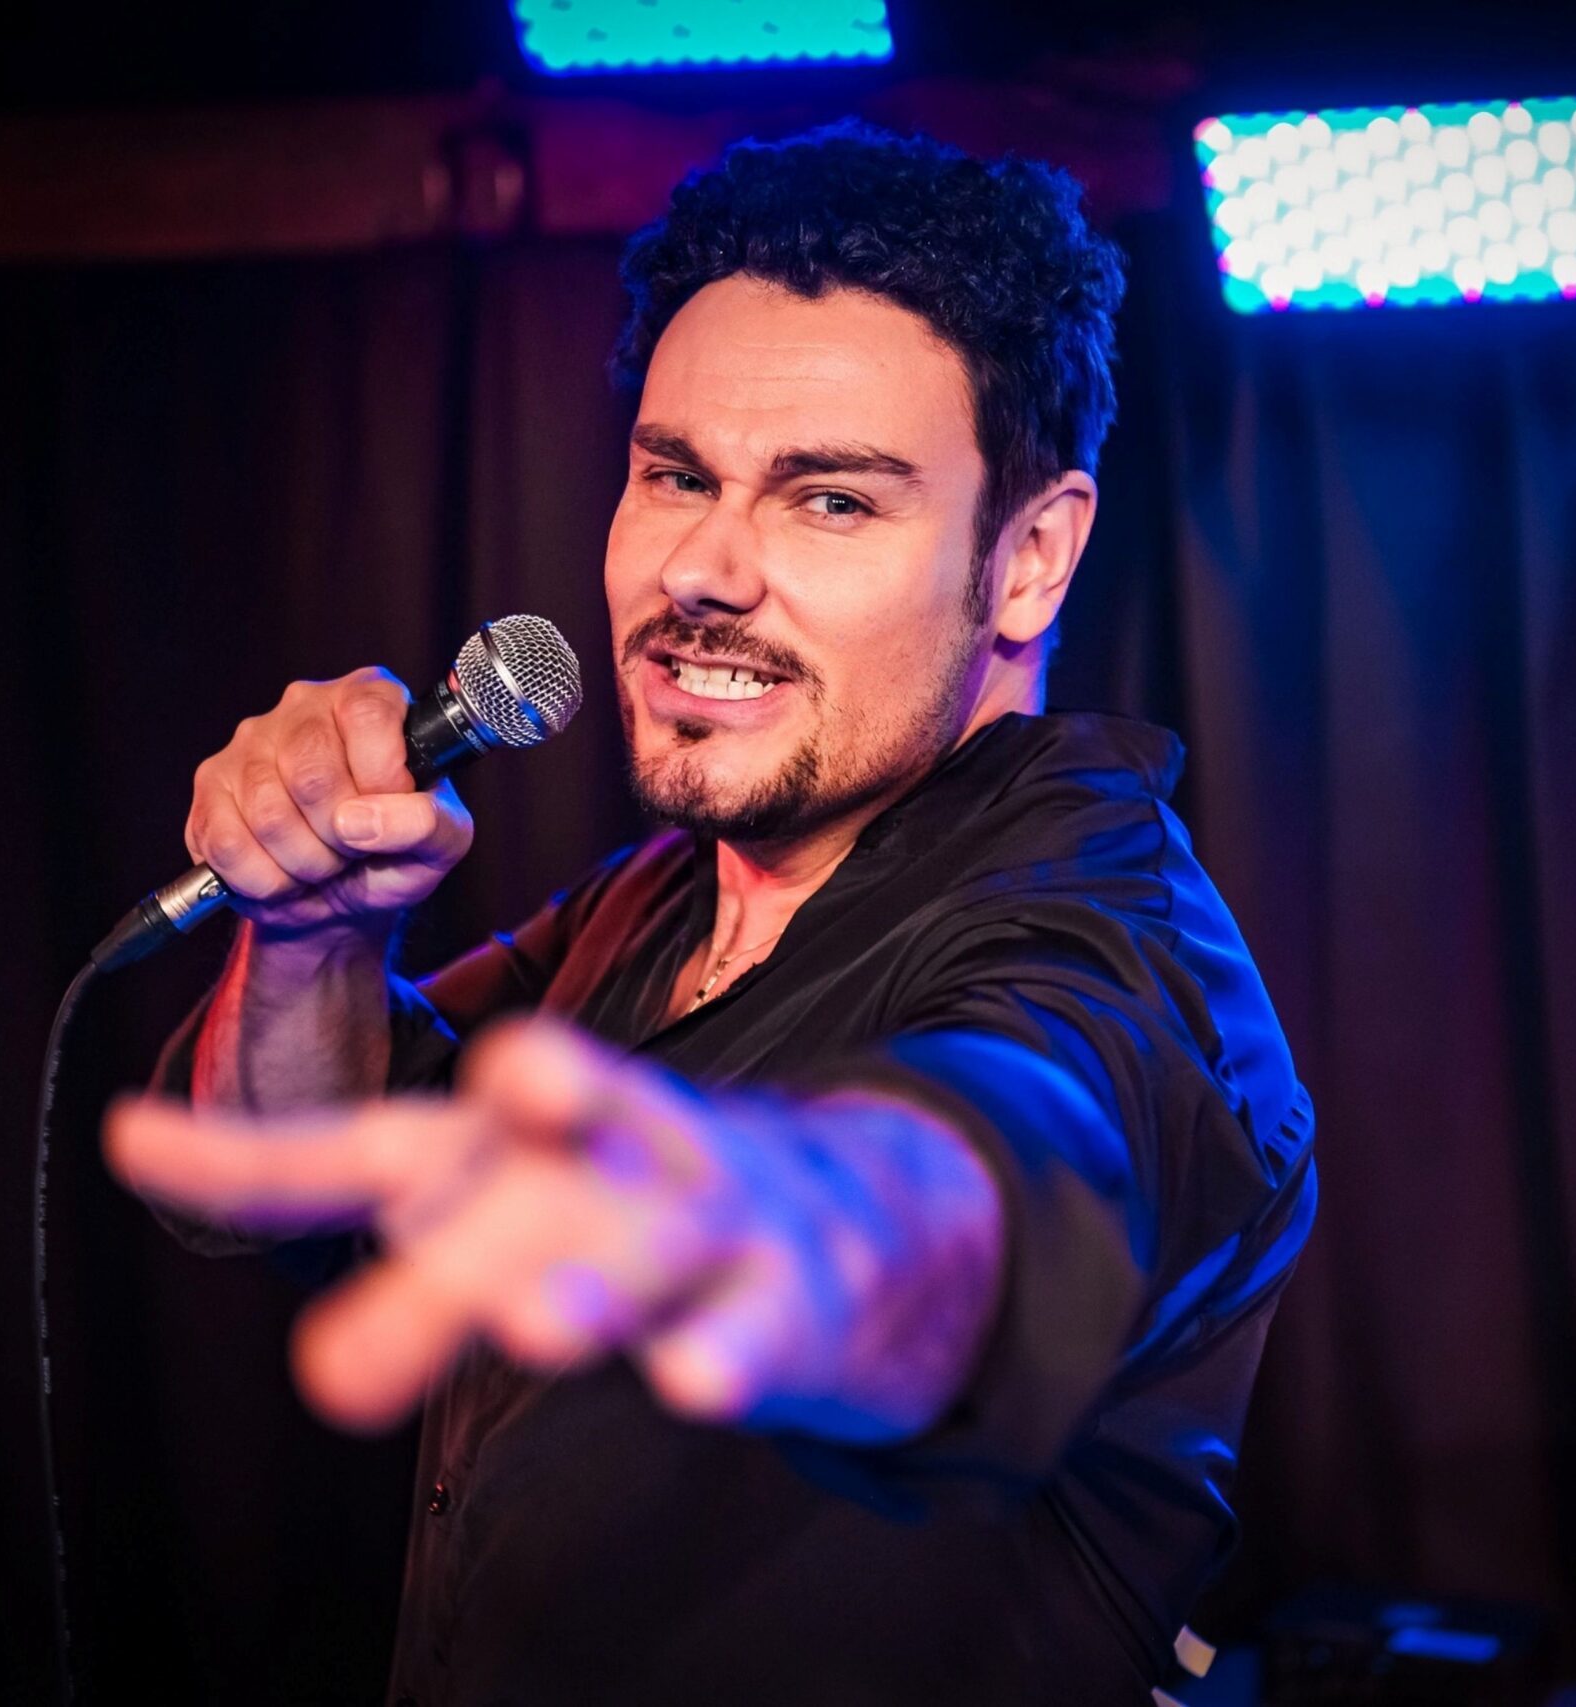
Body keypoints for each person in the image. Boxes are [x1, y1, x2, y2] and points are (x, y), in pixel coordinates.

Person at [105, 120, 1317, 1705]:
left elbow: (983, 1183)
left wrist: (779, 1225)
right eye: (677, 477)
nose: (705, 570)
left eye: (832, 503)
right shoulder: (663, 895)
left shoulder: (1111, 943)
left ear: (1030, 560)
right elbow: (281, 1170)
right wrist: (316, 935)